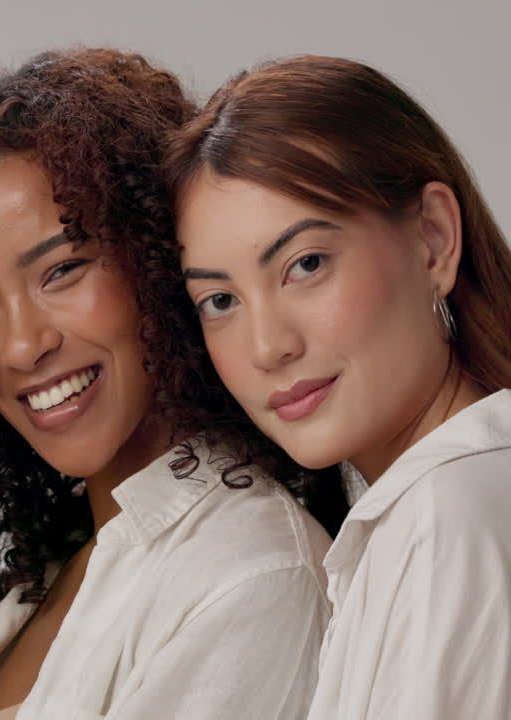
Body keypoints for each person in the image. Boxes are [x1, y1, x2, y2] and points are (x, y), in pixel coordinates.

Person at [0, 48, 337, 720]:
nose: (23, 345)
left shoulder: (250, 576)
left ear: (157, 258)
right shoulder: (39, 573)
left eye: (61, 272)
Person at [170, 55, 511, 720]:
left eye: (306, 264)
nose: (268, 346)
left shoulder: (447, 513)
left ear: (433, 239)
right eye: (219, 301)